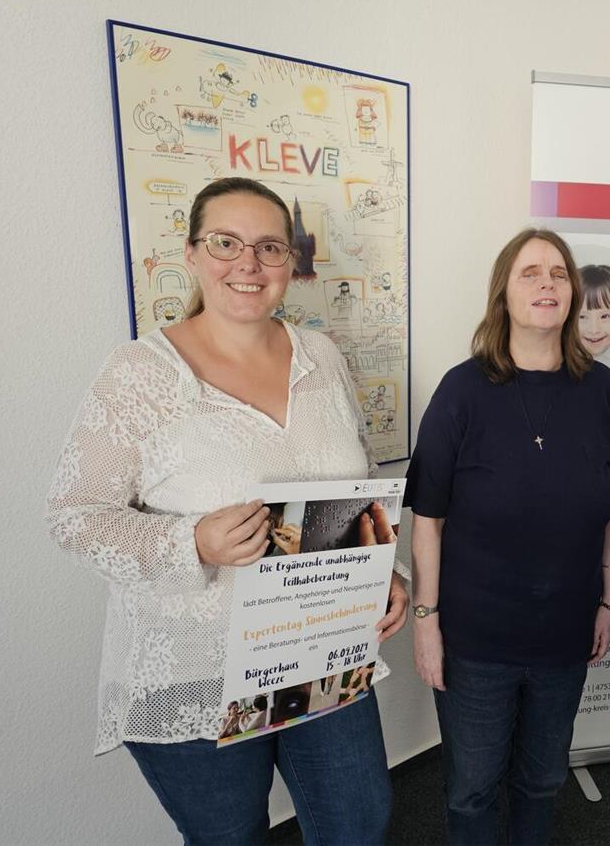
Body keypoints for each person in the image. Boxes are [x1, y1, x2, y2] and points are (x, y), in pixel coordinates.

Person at [46, 176, 408, 845]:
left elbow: (353, 491)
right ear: (191, 253)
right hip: (198, 673)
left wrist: (383, 571)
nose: (248, 263)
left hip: (321, 652)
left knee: (358, 824)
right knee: (229, 838)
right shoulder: (138, 374)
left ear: (291, 264)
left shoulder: (322, 357)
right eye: (226, 242)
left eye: (269, 247)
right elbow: (76, 515)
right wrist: (195, 542)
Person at [406, 228, 610, 845]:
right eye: (530, 272)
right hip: (476, 639)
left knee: (542, 780)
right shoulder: (463, 390)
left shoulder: (600, 388)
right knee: (472, 789)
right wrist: (426, 621)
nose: (548, 284)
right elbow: (428, 516)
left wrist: (609, 596)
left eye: (559, 273)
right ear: (503, 292)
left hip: (565, 631)